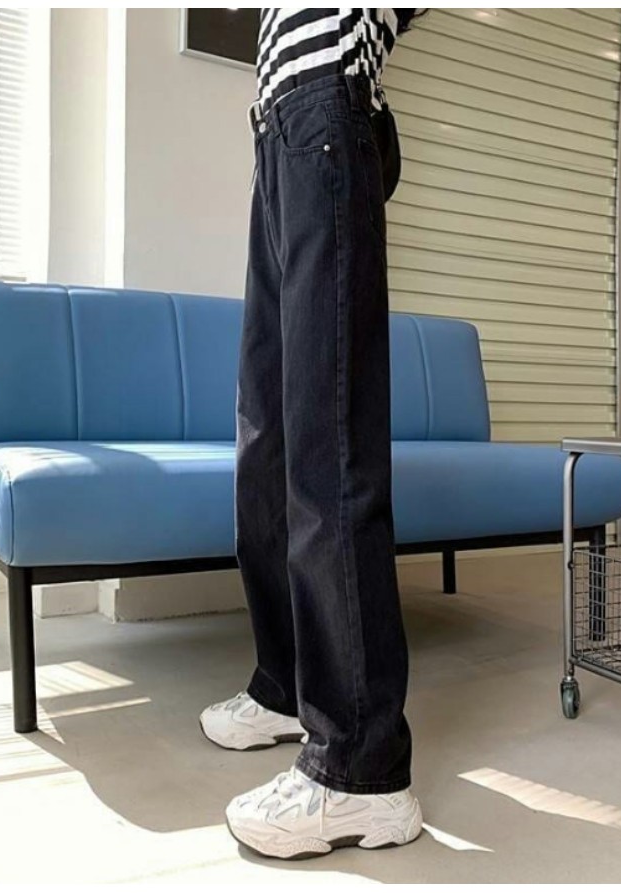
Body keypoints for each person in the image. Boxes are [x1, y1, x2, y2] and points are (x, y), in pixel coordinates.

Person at [199, 8, 425, 860]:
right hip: (279, 134)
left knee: (328, 442)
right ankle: (285, 686)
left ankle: (362, 771)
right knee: (268, 438)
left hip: (327, 105)